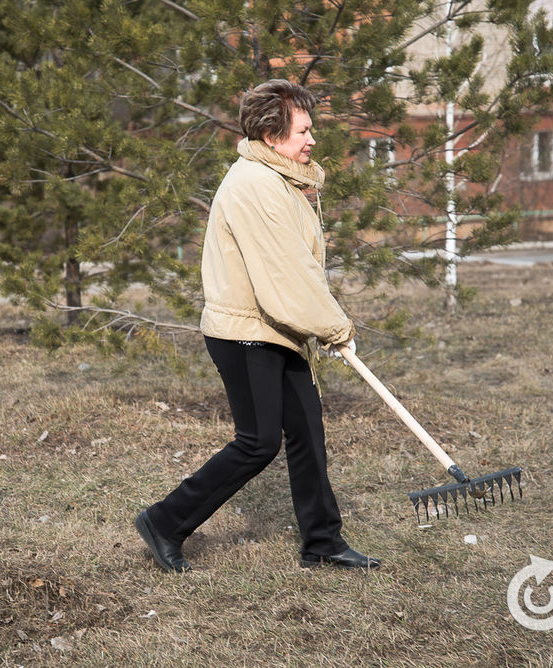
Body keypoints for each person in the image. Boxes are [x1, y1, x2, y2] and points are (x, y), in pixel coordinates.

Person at [135, 79, 380, 572]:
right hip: (245, 332)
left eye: (310, 129)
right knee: (258, 442)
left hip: (278, 328)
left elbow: (298, 273)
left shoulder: (280, 179)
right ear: (272, 135)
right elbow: (287, 275)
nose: (312, 139)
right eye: (303, 131)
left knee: (307, 432)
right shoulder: (256, 185)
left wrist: (320, 325)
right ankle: (164, 521)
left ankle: (322, 541)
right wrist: (335, 328)